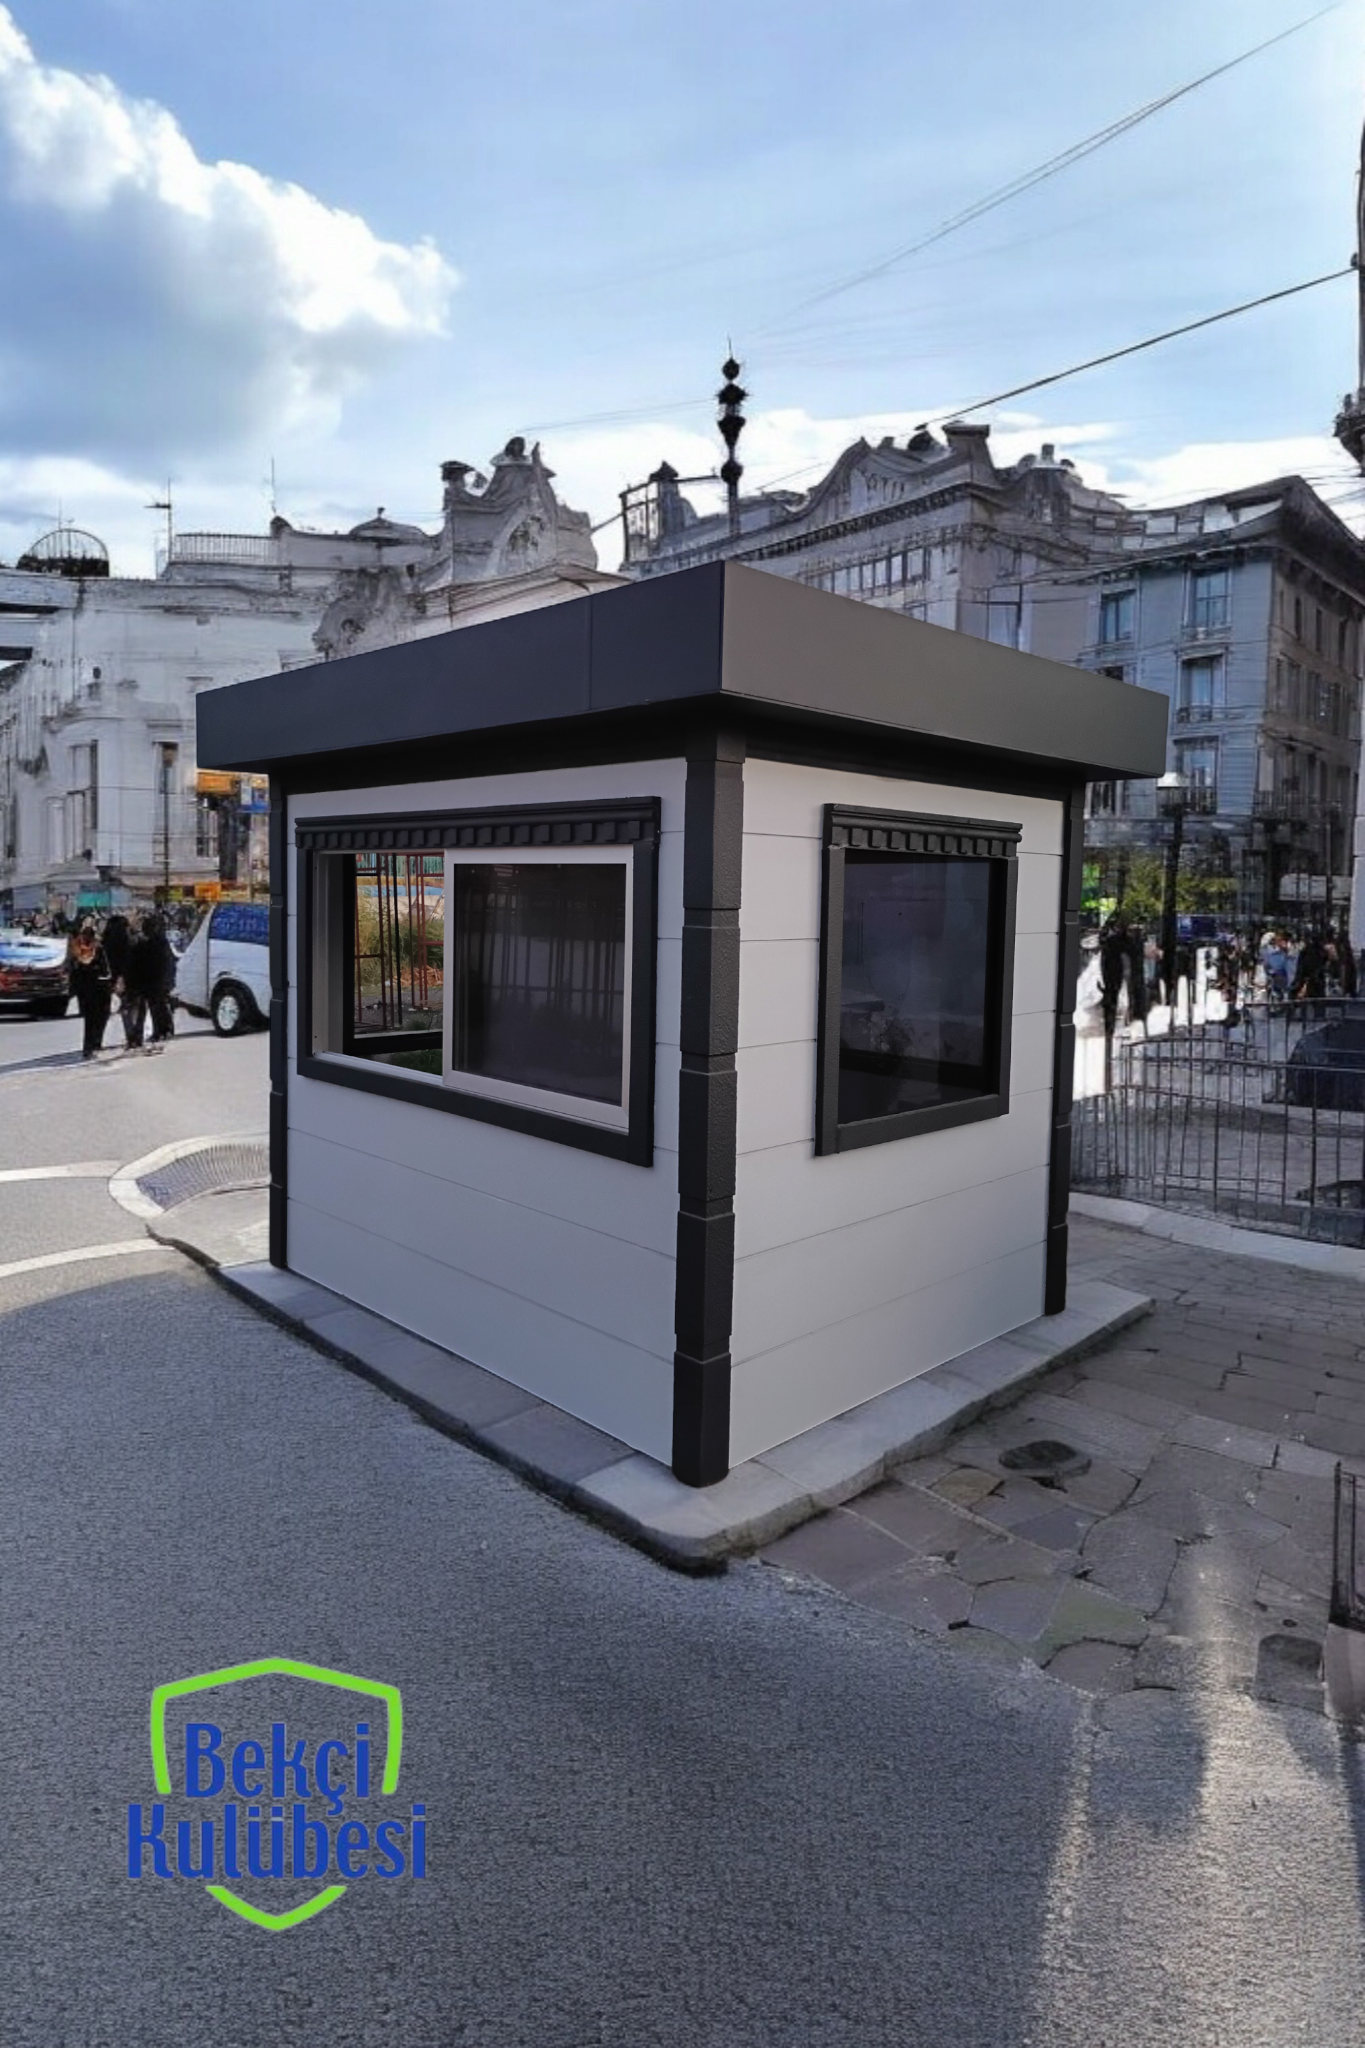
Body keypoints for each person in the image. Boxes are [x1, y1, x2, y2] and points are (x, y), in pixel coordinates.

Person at [67, 918, 113, 1060]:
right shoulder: (98, 948)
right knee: (101, 1016)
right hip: (99, 988)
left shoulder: (76, 950)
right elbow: (106, 970)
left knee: (89, 1020)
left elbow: (73, 971)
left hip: (84, 990)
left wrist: (74, 990)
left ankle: (88, 1047)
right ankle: (95, 1044)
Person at [132, 911, 177, 1051]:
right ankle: (164, 1030)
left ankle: (161, 1031)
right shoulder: (160, 942)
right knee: (159, 1006)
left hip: (154, 981)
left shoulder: (153, 943)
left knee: (157, 1006)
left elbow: (148, 963)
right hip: (159, 980)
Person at [100, 913, 143, 1050]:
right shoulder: (130, 939)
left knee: (125, 1006)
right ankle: (136, 1036)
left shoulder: (106, 941)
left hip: (115, 978)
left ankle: (130, 1036)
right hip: (132, 977)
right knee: (135, 1006)